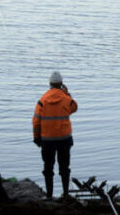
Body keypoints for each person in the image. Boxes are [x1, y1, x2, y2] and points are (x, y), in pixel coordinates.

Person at [33, 71, 78, 200]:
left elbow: (36, 121)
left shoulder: (42, 100)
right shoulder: (66, 99)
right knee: (64, 167)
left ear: (50, 84)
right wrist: (67, 93)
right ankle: (65, 193)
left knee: (48, 168)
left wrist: (36, 137)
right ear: (61, 84)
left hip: (47, 140)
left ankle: (49, 195)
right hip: (64, 139)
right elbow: (74, 108)